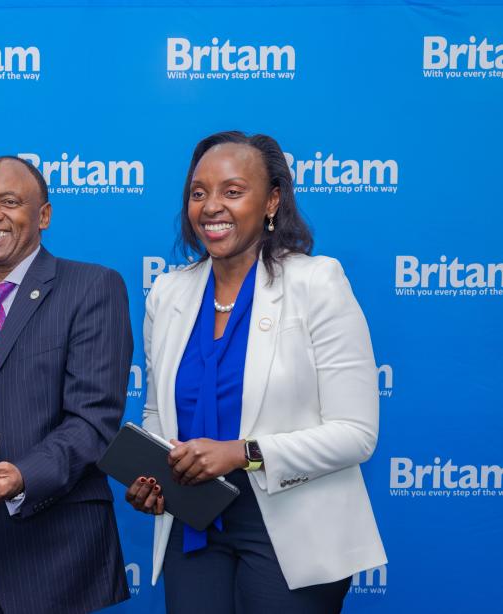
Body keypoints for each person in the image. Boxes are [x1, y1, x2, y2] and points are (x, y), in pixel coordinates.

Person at [127, 131, 387, 613]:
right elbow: (158, 415)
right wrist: (155, 477)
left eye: (232, 191)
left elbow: (357, 434)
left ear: (272, 200)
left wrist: (242, 453)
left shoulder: (316, 282)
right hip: (195, 522)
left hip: (293, 527)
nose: (211, 207)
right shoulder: (167, 293)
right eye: (198, 192)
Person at [0, 156, 132, 614]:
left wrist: (22, 477)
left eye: (9, 202)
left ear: (44, 216)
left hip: (53, 553)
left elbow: (94, 422)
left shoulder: (92, 287)